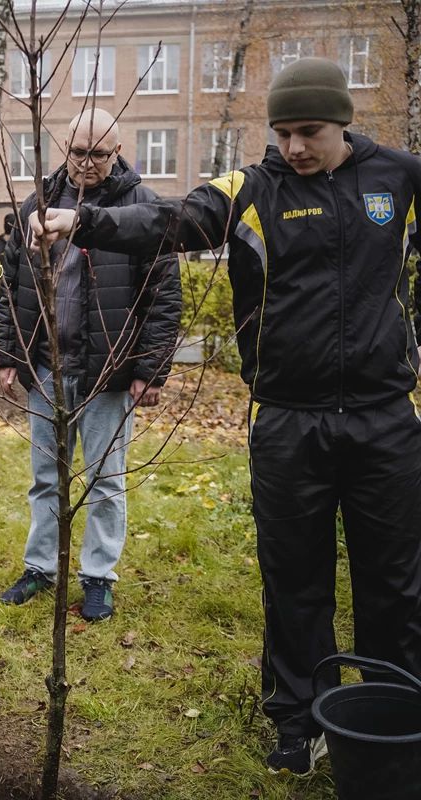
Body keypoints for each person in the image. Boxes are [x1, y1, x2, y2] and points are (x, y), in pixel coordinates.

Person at [30, 58, 421, 777]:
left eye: (309, 132)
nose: (295, 147)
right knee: (294, 578)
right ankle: (299, 723)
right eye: (283, 132)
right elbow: (169, 219)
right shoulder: (253, 188)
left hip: (384, 419)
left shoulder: (398, 179)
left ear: (345, 124)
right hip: (287, 421)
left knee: (393, 580)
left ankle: (395, 713)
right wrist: (82, 219)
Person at [0, 109, 181, 623]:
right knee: (44, 477)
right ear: (65, 149)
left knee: (105, 479)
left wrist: (151, 369)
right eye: (80, 152)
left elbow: (164, 294)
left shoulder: (143, 208)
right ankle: (40, 568)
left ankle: (98, 577)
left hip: (108, 370)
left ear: (117, 152)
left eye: (101, 153)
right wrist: (11, 354)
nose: (89, 163)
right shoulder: (38, 203)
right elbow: (9, 285)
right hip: (47, 369)